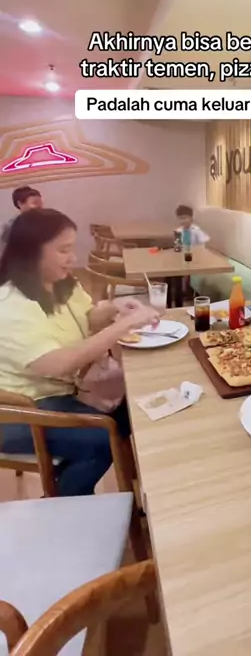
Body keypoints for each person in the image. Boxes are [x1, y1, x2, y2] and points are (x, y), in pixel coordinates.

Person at [0, 208, 160, 496]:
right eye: (64, 250)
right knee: (101, 438)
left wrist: (114, 309)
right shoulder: (11, 305)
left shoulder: (61, 283)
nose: (73, 258)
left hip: (62, 392)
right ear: (31, 252)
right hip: (21, 410)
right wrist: (123, 326)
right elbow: (58, 364)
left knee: (130, 410)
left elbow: (87, 318)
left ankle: (134, 485)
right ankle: (62, 503)